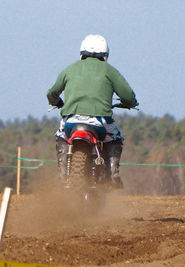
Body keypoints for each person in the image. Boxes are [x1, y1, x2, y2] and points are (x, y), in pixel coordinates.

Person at [47, 34, 138, 188]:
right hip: (100, 122)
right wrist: (129, 103)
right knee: (115, 138)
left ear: (82, 51)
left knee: (61, 136)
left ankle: (62, 173)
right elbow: (128, 95)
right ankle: (112, 173)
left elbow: (52, 93)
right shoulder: (110, 71)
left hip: (72, 121)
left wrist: (57, 102)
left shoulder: (70, 69)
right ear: (105, 54)